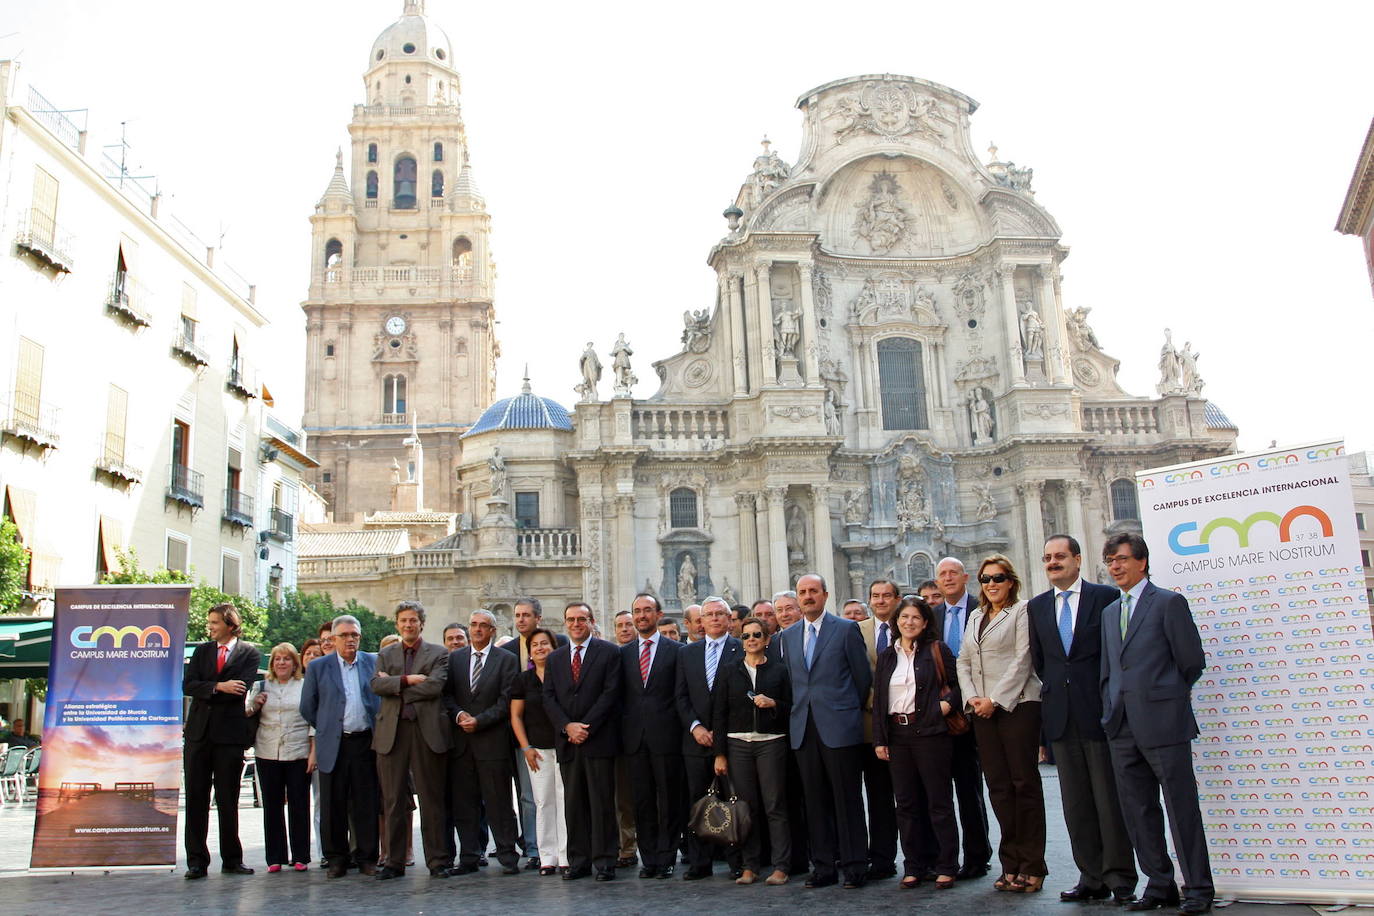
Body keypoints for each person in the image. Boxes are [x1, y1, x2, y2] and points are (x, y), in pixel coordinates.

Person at [1100, 533, 1212, 914]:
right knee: (1138, 810)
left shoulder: (1167, 603)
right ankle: (1159, 884)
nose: (1114, 566)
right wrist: (1111, 708)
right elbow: (1109, 670)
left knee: (1181, 809)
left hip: (1164, 723)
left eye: (1121, 559)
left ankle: (1197, 888)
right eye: (1110, 560)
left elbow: (1191, 661)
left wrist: (1165, 698)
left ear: (1142, 562)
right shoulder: (1110, 612)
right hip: (1122, 726)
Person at [1027, 535, 1137, 904]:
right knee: (1075, 805)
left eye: (1060, 556)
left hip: (1100, 712)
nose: (1053, 562)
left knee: (1109, 800)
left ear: (1077, 558)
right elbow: (1043, 662)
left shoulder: (1104, 598)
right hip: (1061, 715)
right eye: (1047, 558)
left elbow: (1116, 654)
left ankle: (1120, 876)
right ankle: (1090, 875)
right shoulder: (1038, 607)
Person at [956, 555, 1046, 893]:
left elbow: (1024, 659)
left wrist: (994, 699)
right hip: (982, 709)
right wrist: (974, 699)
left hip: (1017, 705)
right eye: (985, 579)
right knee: (998, 787)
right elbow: (964, 660)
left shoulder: (1022, 611)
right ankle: (1011, 863)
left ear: (1011, 581)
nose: (991, 584)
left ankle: (1033, 864)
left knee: (1024, 784)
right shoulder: (976, 615)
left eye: (997, 578)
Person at [779, 574, 872, 889]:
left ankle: (855, 865)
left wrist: (842, 711)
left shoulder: (846, 630)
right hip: (803, 730)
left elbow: (862, 679)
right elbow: (791, 683)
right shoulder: (787, 637)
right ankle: (823, 867)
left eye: (813, 591)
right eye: (802, 592)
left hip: (840, 728)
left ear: (825, 595)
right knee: (814, 802)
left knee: (847, 800)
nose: (807, 597)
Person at [872, 597, 960, 889]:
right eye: (904, 617)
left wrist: (943, 707)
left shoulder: (937, 650)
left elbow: (958, 685)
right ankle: (914, 865)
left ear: (925, 623)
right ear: (897, 621)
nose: (909, 622)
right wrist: (880, 739)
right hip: (898, 734)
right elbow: (881, 700)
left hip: (931, 732)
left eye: (915, 618)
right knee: (906, 803)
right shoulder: (886, 656)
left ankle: (946, 864)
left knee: (938, 801)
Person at [542, 602, 623, 881]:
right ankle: (578, 861)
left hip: (597, 739)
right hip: (568, 742)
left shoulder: (609, 653)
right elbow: (548, 697)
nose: (576, 624)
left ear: (591, 621)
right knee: (573, 804)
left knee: (601, 804)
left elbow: (611, 694)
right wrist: (567, 727)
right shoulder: (555, 658)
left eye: (581, 619)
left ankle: (605, 862)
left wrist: (585, 727)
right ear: (565, 623)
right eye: (571, 619)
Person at [710, 615, 792, 886]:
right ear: (741, 640)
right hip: (738, 744)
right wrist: (720, 753)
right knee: (746, 808)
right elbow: (719, 714)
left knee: (775, 805)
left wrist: (774, 704)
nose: (752, 640)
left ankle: (781, 865)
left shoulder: (779, 670)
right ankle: (750, 865)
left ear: (767, 640)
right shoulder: (730, 670)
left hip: (771, 742)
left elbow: (791, 706)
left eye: (757, 635)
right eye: (746, 636)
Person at [372, 601, 451, 879]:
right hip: (392, 734)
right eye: (403, 620)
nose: (408, 625)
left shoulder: (439, 654)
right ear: (397, 624)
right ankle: (394, 862)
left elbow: (435, 686)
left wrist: (395, 685)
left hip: (425, 731)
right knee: (393, 800)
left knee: (431, 799)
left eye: (413, 620)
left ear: (421, 624)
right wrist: (408, 680)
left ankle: (438, 861)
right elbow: (376, 685)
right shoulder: (385, 654)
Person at [182, 603, 261, 879]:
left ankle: (232, 859)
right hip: (198, 736)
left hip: (229, 736)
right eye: (210, 622)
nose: (210, 627)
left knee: (229, 799)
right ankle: (196, 861)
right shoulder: (202, 651)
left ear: (230, 624)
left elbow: (240, 689)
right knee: (195, 798)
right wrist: (218, 686)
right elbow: (188, 685)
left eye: (215, 622)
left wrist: (214, 689)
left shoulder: (250, 653)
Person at [300, 614, 381, 878]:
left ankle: (367, 857)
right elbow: (308, 706)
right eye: (344, 635)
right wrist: (327, 727)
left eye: (354, 635)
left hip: (365, 742)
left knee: (366, 803)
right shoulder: (319, 667)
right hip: (333, 743)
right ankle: (336, 858)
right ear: (333, 639)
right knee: (332, 804)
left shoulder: (372, 661)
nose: (350, 640)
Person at [444, 609, 521, 875]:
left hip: (492, 741)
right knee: (464, 803)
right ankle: (469, 856)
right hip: (462, 743)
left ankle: (508, 855)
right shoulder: (454, 660)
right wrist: (459, 715)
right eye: (473, 624)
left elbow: (506, 700)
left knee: (499, 802)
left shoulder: (507, 660)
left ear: (493, 630)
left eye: (483, 625)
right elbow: (448, 696)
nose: (477, 629)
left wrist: (481, 720)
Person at [930, 558, 993, 880]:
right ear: (937, 582)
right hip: (943, 714)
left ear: (966, 577)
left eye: (953, 573)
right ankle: (946, 857)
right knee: (940, 793)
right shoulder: (934, 617)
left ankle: (978, 856)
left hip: (980, 708)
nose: (948, 579)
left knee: (972, 789)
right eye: (943, 575)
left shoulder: (983, 610)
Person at [619, 593, 686, 879]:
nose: (642, 616)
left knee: (669, 801)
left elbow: (680, 693)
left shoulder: (676, 651)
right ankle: (649, 859)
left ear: (658, 615)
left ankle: (668, 856)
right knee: (642, 801)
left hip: (666, 736)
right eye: (637, 611)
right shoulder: (622, 654)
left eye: (647, 610)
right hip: (634, 739)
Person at [676, 596, 742, 880]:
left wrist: (722, 733)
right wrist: (696, 727)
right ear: (700, 622)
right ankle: (699, 862)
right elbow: (680, 696)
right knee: (697, 802)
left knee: (733, 801)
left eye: (720, 614)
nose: (714, 619)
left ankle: (736, 860)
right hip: (696, 741)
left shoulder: (741, 649)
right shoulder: (686, 654)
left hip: (731, 741)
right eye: (709, 615)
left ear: (729, 619)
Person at [499, 598, 568, 870]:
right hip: (533, 745)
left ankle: (565, 854)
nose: (520, 620)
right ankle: (540, 852)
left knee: (563, 800)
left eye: (526, 615)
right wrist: (525, 746)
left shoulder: (562, 673)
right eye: (517, 615)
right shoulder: (516, 669)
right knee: (537, 799)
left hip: (563, 744)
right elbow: (514, 713)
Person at [246, 642, 314, 872]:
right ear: (272, 663)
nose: (282, 663)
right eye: (277, 659)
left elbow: (312, 720)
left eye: (286, 659)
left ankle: (301, 856)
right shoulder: (262, 685)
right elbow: (246, 711)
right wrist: (255, 703)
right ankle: (275, 857)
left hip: (298, 752)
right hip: (268, 751)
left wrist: (313, 752)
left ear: (295, 663)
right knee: (272, 806)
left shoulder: (304, 685)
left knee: (299, 804)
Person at [856, 579, 900, 882]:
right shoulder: (857, 632)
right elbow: (855, 675)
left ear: (897, 599)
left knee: (914, 796)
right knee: (878, 795)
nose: (880, 600)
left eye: (886, 596)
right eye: (875, 596)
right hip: (871, 725)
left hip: (909, 725)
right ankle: (882, 858)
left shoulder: (912, 624)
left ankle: (922, 857)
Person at [610, 609, 640, 869]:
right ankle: (624, 846)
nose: (624, 629)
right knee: (621, 797)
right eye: (620, 625)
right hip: (617, 736)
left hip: (643, 734)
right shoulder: (612, 656)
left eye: (628, 624)